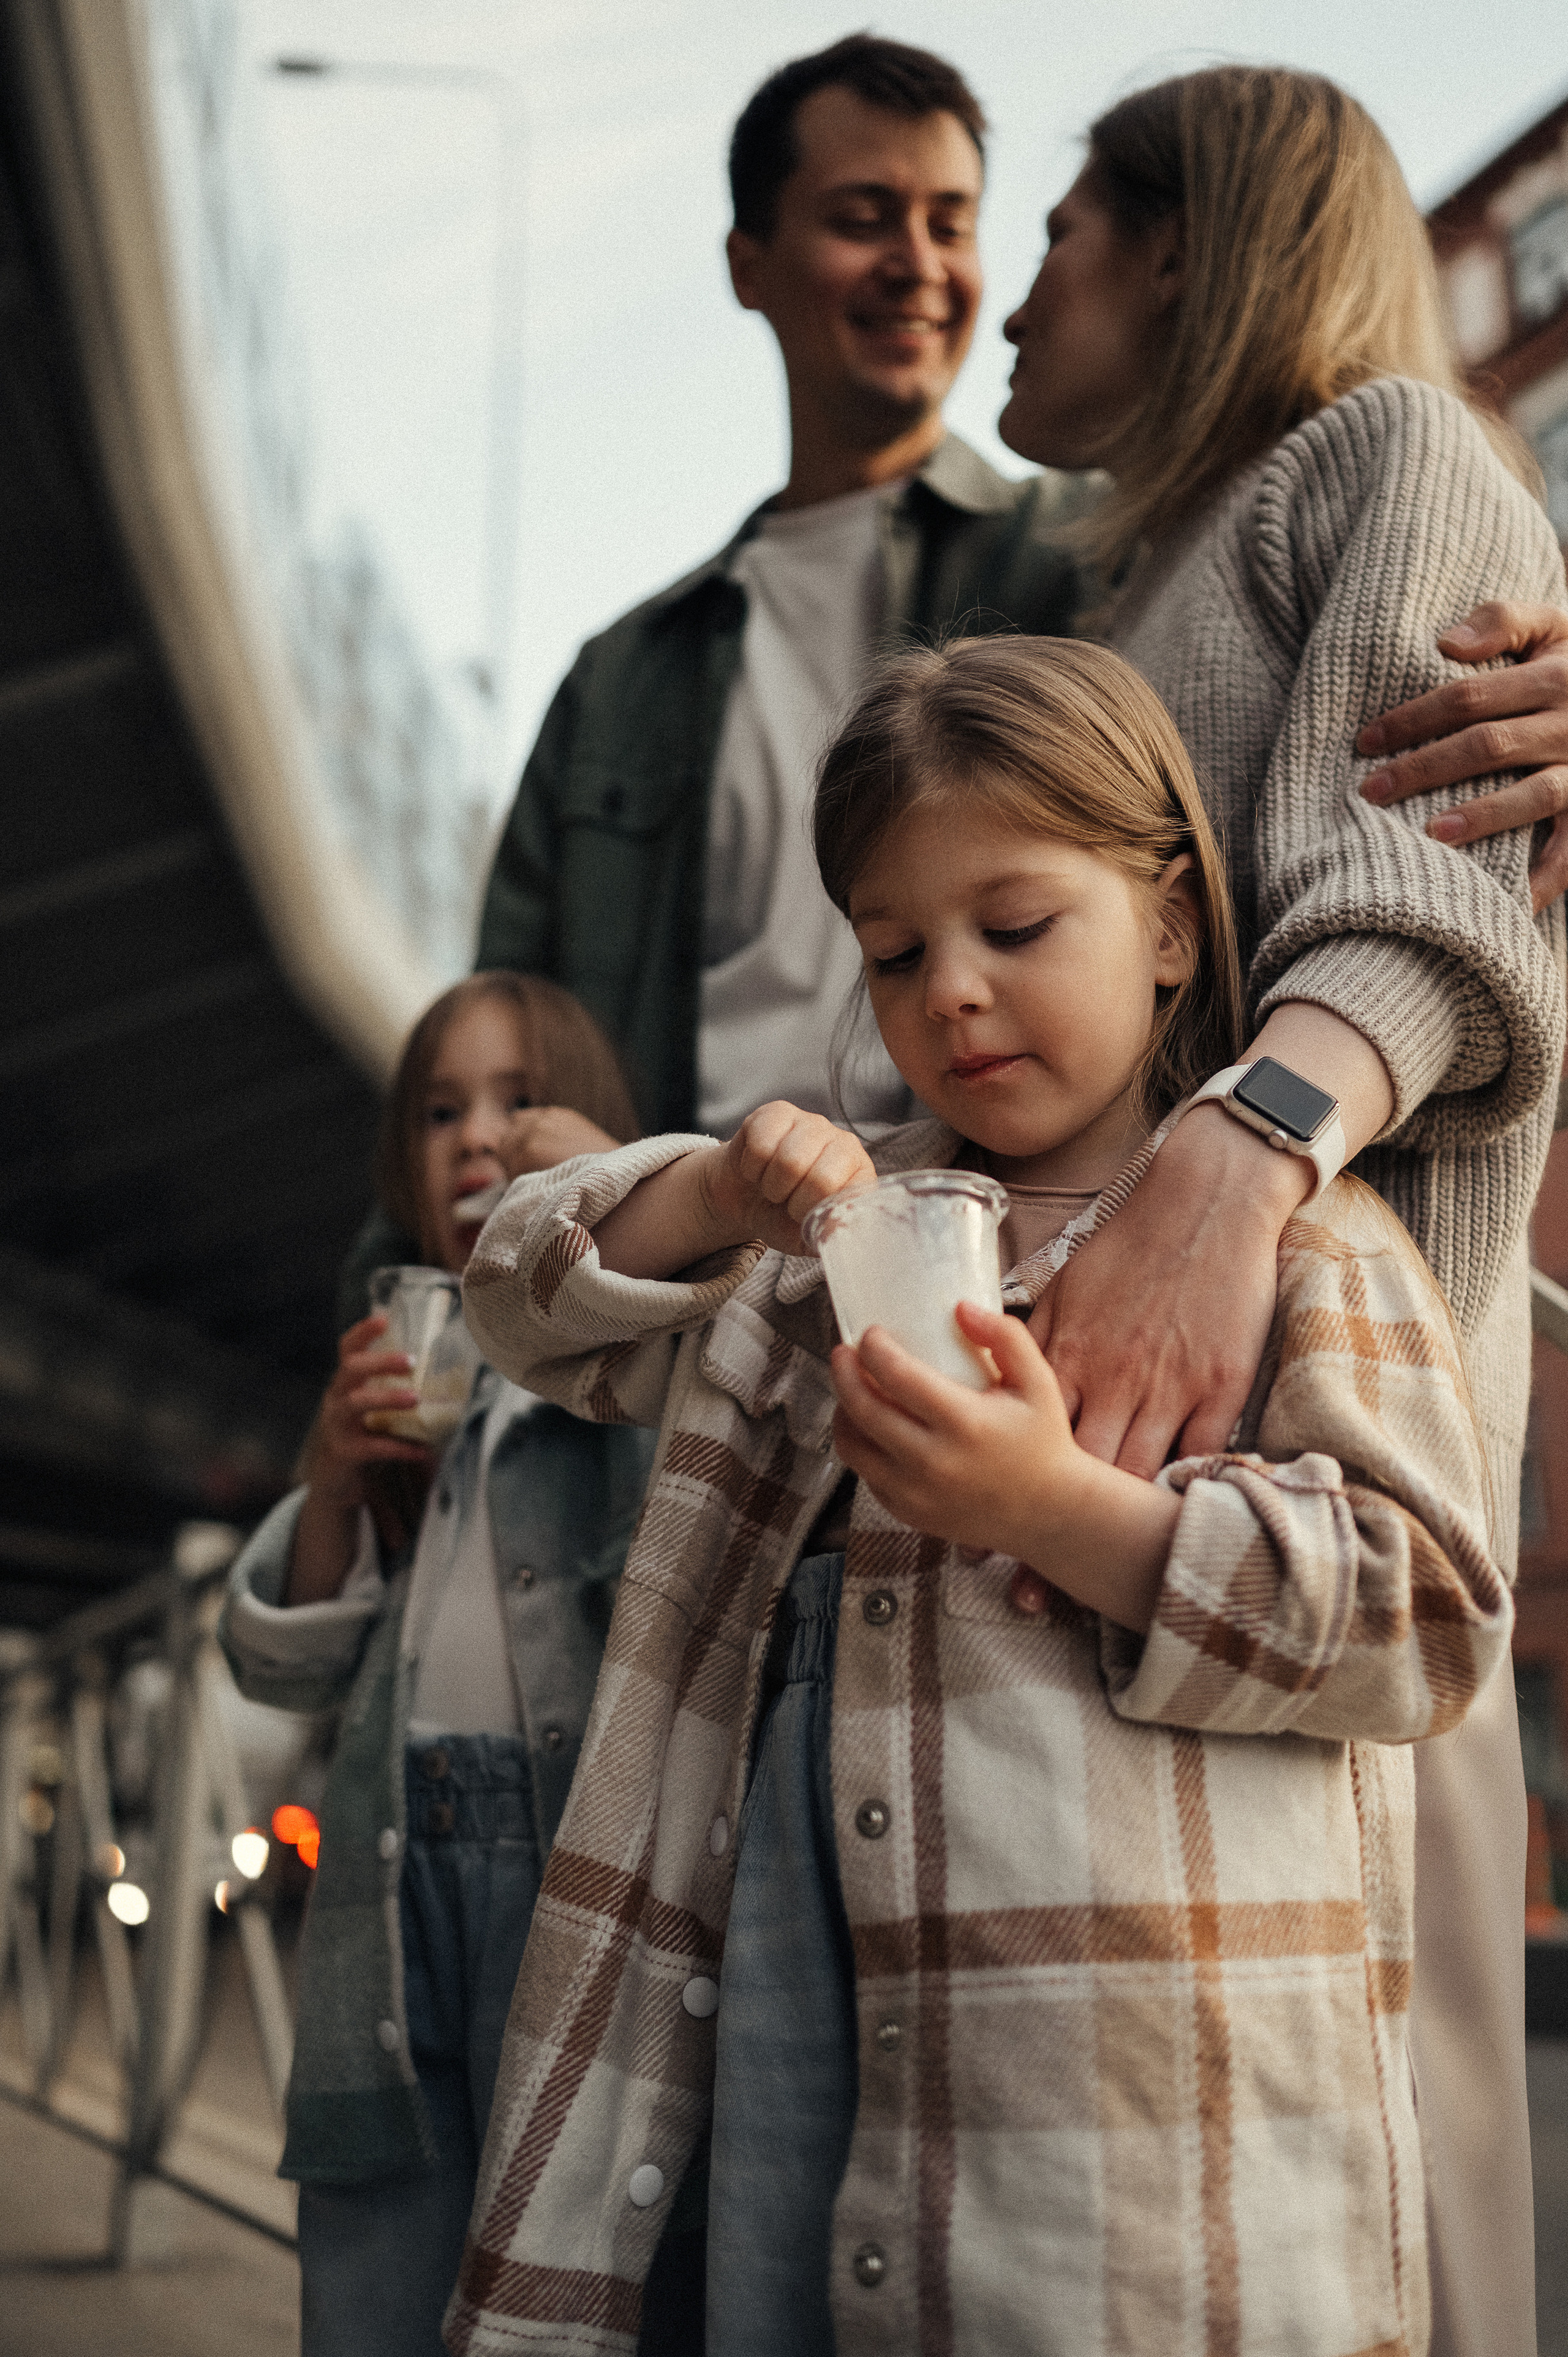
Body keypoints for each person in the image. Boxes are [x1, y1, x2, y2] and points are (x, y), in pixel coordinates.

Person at [447, 637, 1510, 2357]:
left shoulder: (1308, 1244)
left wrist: (1060, 1511)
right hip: (793, 2026)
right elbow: (516, 1294)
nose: (950, 989)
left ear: (1171, 927)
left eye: (1015, 928)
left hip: (1130, 2174)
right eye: (893, 951)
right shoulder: (820, 1262)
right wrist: (717, 1182)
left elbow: (1431, 1623)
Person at [993, 67, 1566, 2357]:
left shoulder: (1393, 457)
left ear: (1187, 244)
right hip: (1133, 1511)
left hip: (1348, 1507)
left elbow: (1428, 879)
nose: (1016, 297)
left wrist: (1227, 1168)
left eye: (1063, 233)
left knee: (1371, 2233)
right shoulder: (1130, 585)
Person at [465, 34, 1568, 1161]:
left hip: (1079, 1252)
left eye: (958, 224)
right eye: (861, 217)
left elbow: (1453, 876)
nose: (932, 270)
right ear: (750, 264)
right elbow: (486, 1050)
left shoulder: (1098, 563)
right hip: (734, 1272)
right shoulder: (626, 674)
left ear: (1177, 256)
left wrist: (1239, 1165)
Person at [218, 974, 655, 2357]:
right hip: (394, 1880)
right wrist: (336, 1479)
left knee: (570, 2248)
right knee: (380, 2250)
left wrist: (612, 1242)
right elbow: (282, 1672)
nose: (477, 1138)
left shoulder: (639, 1350)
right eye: (440, 1111)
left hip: (563, 1863)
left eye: (522, 1101)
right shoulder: (410, 1370)